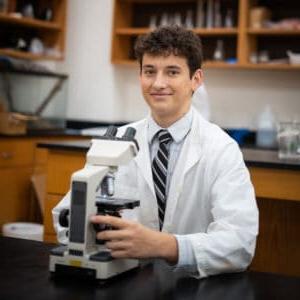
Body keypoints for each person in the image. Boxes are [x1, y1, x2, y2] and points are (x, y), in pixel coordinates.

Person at [53, 26, 258, 278]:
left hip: (191, 283)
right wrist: (95, 231)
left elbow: (240, 243)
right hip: (124, 279)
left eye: (172, 72)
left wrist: (165, 246)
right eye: (149, 71)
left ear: (196, 79)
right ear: (140, 75)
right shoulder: (115, 141)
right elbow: (64, 218)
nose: (158, 83)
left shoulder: (222, 149)